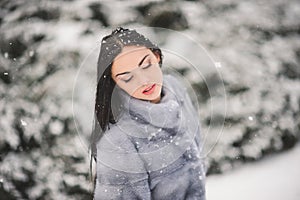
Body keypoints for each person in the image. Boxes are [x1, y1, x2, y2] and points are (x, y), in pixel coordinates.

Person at [90, 27, 206, 200]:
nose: (144, 81)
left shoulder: (175, 89)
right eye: (127, 77)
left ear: (156, 56)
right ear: (114, 83)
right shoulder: (118, 143)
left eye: (146, 65)